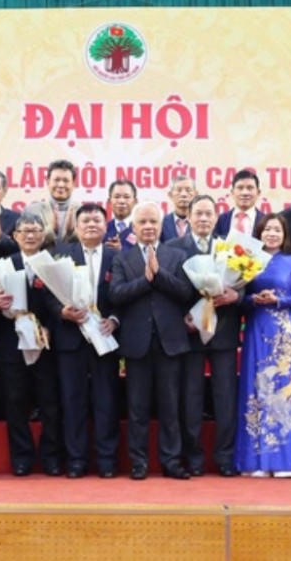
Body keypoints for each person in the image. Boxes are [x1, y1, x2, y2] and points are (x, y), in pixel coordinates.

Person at [109, 202, 196, 480]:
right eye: (142, 222)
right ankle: (139, 462)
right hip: (137, 343)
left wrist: (159, 276)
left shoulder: (177, 255)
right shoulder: (122, 259)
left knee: (170, 406)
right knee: (137, 408)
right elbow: (116, 294)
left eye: (153, 222)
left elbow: (186, 292)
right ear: (133, 227)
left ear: (161, 225)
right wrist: (146, 281)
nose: (148, 227)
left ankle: (172, 461)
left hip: (170, 341)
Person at [165, 195, 241, 476]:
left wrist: (236, 295)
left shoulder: (230, 248)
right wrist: (183, 318)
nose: (204, 219)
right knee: (191, 398)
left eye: (209, 214)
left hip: (223, 333)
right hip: (190, 334)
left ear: (216, 217)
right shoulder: (173, 248)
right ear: (189, 217)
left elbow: (244, 282)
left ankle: (225, 458)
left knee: (225, 398)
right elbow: (167, 289)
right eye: (198, 213)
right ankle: (193, 458)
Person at [0, 213, 63, 476]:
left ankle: (51, 457)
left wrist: (50, 328)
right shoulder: (4, 265)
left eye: (35, 230)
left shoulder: (53, 264)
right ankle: (21, 457)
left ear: (43, 235)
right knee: (15, 400)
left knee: (50, 401)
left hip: (46, 342)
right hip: (12, 342)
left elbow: (63, 302)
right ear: (15, 236)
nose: (30, 235)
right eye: (24, 231)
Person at [236, 213, 291, 477]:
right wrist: (254, 299)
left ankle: (288, 462)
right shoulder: (249, 261)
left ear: (284, 234)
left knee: (284, 389)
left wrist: (278, 300)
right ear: (259, 233)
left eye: (277, 230)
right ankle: (258, 462)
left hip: (284, 333)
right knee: (258, 389)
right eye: (267, 229)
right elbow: (239, 297)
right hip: (257, 328)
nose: (272, 234)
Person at [52, 203, 121, 478]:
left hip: (105, 337)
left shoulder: (118, 257)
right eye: (86, 221)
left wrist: (115, 319)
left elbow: (126, 296)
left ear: (105, 226)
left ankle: (107, 461)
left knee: (107, 401)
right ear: (76, 227)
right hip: (71, 338)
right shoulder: (61, 254)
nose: (91, 225)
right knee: (72, 401)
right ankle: (76, 460)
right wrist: (61, 312)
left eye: (97, 220)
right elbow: (45, 295)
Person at [214, 170, 261, 237]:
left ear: (258, 192)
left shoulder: (265, 222)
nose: (245, 193)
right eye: (240, 188)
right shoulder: (220, 220)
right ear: (232, 192)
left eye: (250, 188)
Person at [44, 159, 82, 243]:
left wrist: (71, 232)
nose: (61, 185)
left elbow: (90, 243)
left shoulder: (82, 212)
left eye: (66, 181)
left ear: (73, 184)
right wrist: (51, 230)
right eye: (56, 180)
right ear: (48, 182)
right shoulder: (33, 211)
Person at [160, 175, 196, 243]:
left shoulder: (201, 223)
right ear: (170, 195)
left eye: (188, 190)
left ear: (196, 194)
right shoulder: (161, 223)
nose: (183, 194)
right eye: (179, 190)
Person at [104, 179, 138, 251]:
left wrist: (121, 250)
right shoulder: (103, 230)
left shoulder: (142, 229)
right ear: (109, 201)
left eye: (126, 197)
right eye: (117, 197)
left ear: (135, 201)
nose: (121, 201)